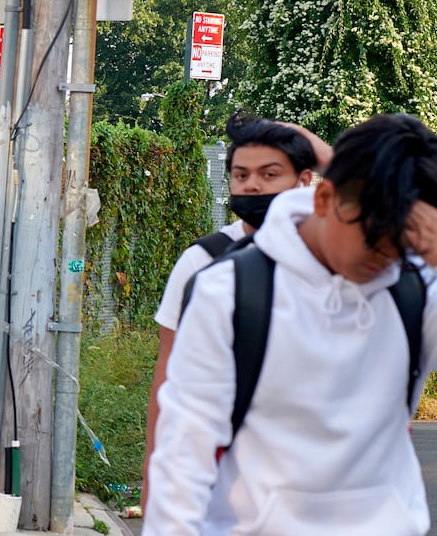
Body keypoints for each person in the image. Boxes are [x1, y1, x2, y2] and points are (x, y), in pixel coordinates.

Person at [148, 114, 437, 536]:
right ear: (324, 200)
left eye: (405, 238)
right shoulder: (230, 291)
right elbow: (184, 454)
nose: (386, 253)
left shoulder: (411, 291)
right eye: (373, 232)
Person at [141, 114, 329, 510]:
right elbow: (168, 381)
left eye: (269, 173)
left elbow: (393, 199)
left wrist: (320, 150)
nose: (253, 184)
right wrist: (153, 481)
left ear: (305, 180)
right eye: (240, 175)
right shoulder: (203, 262)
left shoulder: (334, 258)